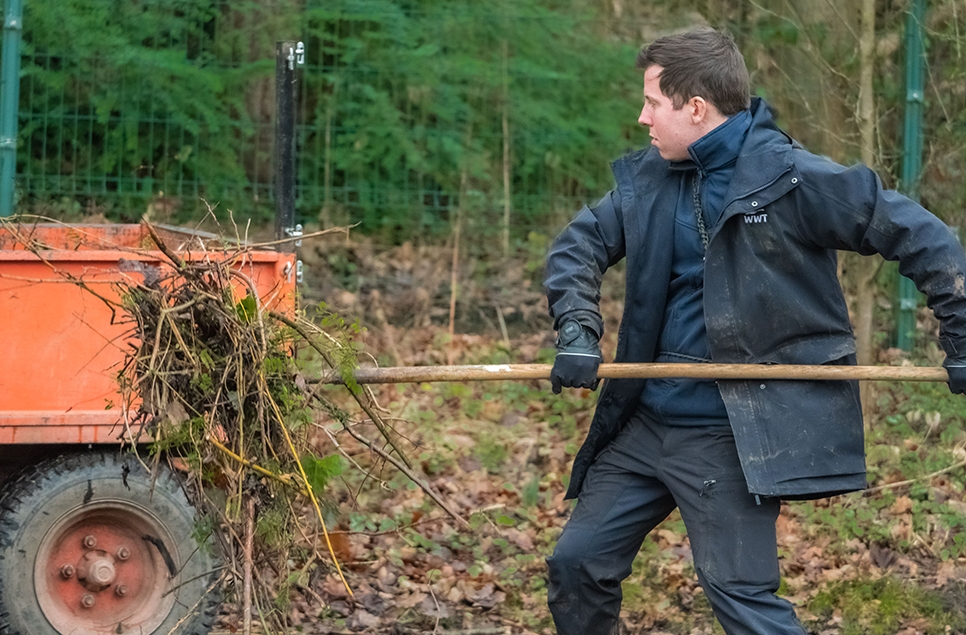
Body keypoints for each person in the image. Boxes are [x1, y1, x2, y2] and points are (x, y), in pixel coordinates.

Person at [543, 27, 966, 635]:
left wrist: (959, 334)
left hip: (731, 432)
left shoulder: (793, 179)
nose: (642, 118)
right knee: (576, 564)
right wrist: (579, 330)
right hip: (644, 422)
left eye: (652, 104)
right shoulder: (652, 180)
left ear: (695, 108)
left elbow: (921, 235)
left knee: (739, 596)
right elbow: (578, 247)